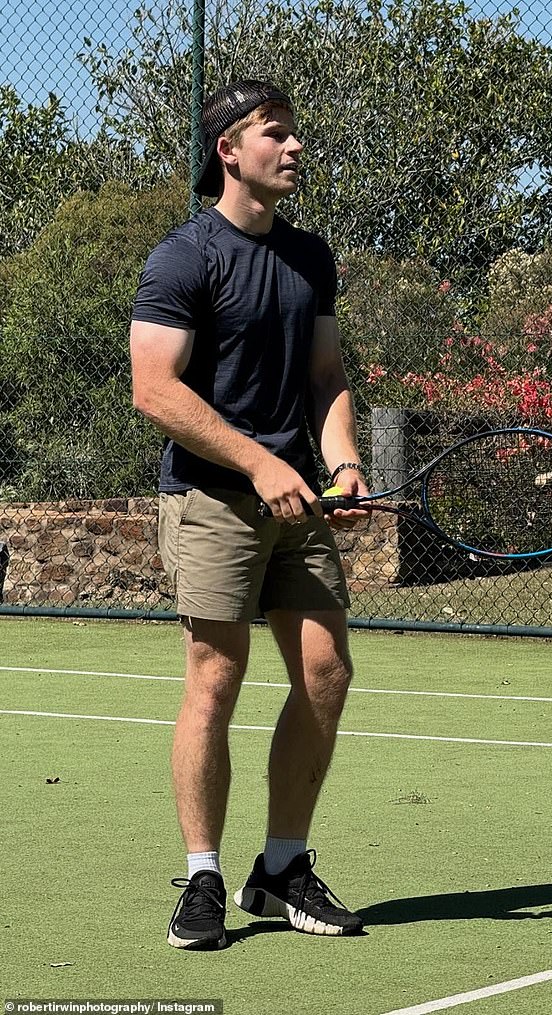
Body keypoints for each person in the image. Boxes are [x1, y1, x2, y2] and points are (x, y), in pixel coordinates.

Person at [130, 80, 369, 950]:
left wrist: (339, 459)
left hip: (295, 497)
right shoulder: (183, 258)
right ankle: (202, 876)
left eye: (296, 132)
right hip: (212, 499)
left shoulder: (311, 258)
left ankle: (281, 869)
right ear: (230, 150)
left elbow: (327, 376)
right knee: (214, 681)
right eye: (276, 133)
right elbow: (153, 387)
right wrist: (261, 460)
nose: (295, 146)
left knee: (326, 672)